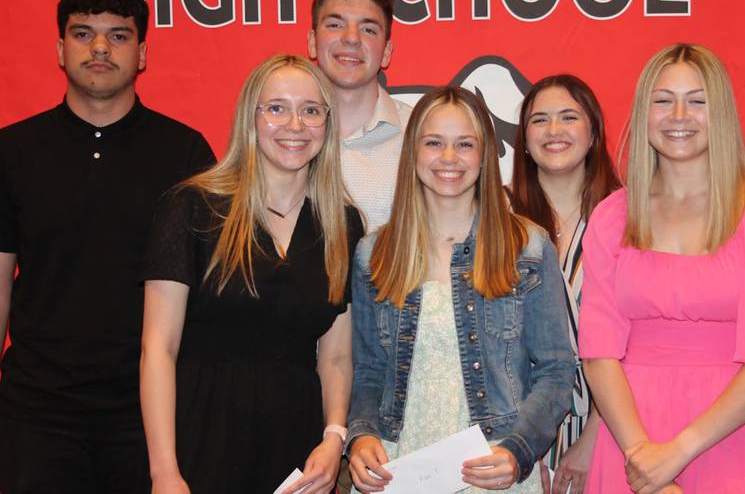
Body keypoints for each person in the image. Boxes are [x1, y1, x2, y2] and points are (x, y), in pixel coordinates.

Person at [0, 0, 215, 494]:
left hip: (148, 416)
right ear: (59, 48)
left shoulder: (185, 154)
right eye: (83, 34)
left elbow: (209, 301)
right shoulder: (14, 151)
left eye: (118, 36)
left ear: (142, 53)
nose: (99, 48)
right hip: (36, 413)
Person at [579, 43, 745, 494]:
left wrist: (678, 452)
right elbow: (599, 355)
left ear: (720, 114)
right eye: (663, 100)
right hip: (631, 442)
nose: (679, 115)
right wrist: (644, 460)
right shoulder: (611, 217)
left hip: (733, 437)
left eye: (697, 101)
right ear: (644, 112)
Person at [139, 54, 363, 494]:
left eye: (311, 110)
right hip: (200, 440)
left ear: (327, 124)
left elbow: (335, 357)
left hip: (297, 452)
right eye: (277, 108)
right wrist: (164, 472)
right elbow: (157, 348)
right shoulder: (192, 207)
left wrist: (333, 437)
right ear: (250, 118)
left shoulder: (343, 223)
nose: (295, 124)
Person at [347, 86, 575, 494]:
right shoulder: (374, 254)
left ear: (485, 155)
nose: (449, 158)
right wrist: (362, 434)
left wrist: (518, 450)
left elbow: (557, 371)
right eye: (434, 142)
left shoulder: (527, 247)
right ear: (412, 152)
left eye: (464, 144)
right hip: (400, 469)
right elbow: (368, 372)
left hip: (493, 470)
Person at [508, 74, 620, 494]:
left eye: (568, 117)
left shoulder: (629, 219)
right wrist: (523, 443)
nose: (553, 131)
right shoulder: (498, 219)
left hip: (613, 422)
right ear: (523, 137)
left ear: (593, 132)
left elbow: (642, 340)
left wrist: (595, 437)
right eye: (540, 120)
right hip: (516, 424)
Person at [307, 0, 412, 232]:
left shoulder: (420, 135)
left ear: (386, 52)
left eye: (368, 29)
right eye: (335, 25)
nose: (351, 38)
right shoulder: (278, 136)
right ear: (312, 42)